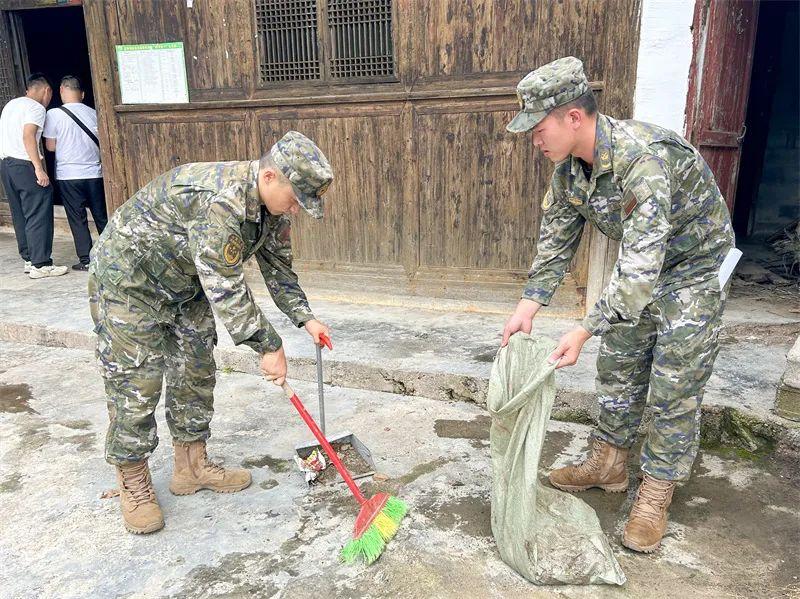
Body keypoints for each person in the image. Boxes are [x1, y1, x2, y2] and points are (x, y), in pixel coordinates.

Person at [502, 57, 735, 553]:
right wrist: (528, 304)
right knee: (619, 366)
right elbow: (556, 242)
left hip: (691, 271)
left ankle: (656, 490)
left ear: (572, 118)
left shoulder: (641, 159)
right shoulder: (568, 172)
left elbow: (639, 273)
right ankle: (609, 463)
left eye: (538, 128)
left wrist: (584, 328)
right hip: (641, 266)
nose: (534, 140)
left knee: (675, 383)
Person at [89, 131, 333, 534]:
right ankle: (132, 479)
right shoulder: (222, 201)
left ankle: (191, 467)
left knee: (196, 371)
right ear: (270, 176)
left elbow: (280, 270)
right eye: (295, 198)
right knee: (137, 384)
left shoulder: (271, 211)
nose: (296, 209)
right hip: (129, 284)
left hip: (186, 287)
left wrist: (306, 319)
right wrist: (266, 345)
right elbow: (225, 283)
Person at [0, 72, 68, 278]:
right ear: (47, 91)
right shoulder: (36, 108)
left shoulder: (11, 105)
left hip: (6, 164)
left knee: (20, 212)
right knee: (39, 209)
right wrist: (39, 168)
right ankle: (42, 264)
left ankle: (29, 259)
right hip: (24, 164)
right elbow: (28, 135)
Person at [43, 75, 108, 271]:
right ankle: (111, 254)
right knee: (101, 216)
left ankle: (87, 260)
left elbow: (51, 146)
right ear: (82, 94)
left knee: (77, 218)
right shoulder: (94, 112)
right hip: (95, 173)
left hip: (69, 174)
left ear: (62, 90)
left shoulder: (54, 114)